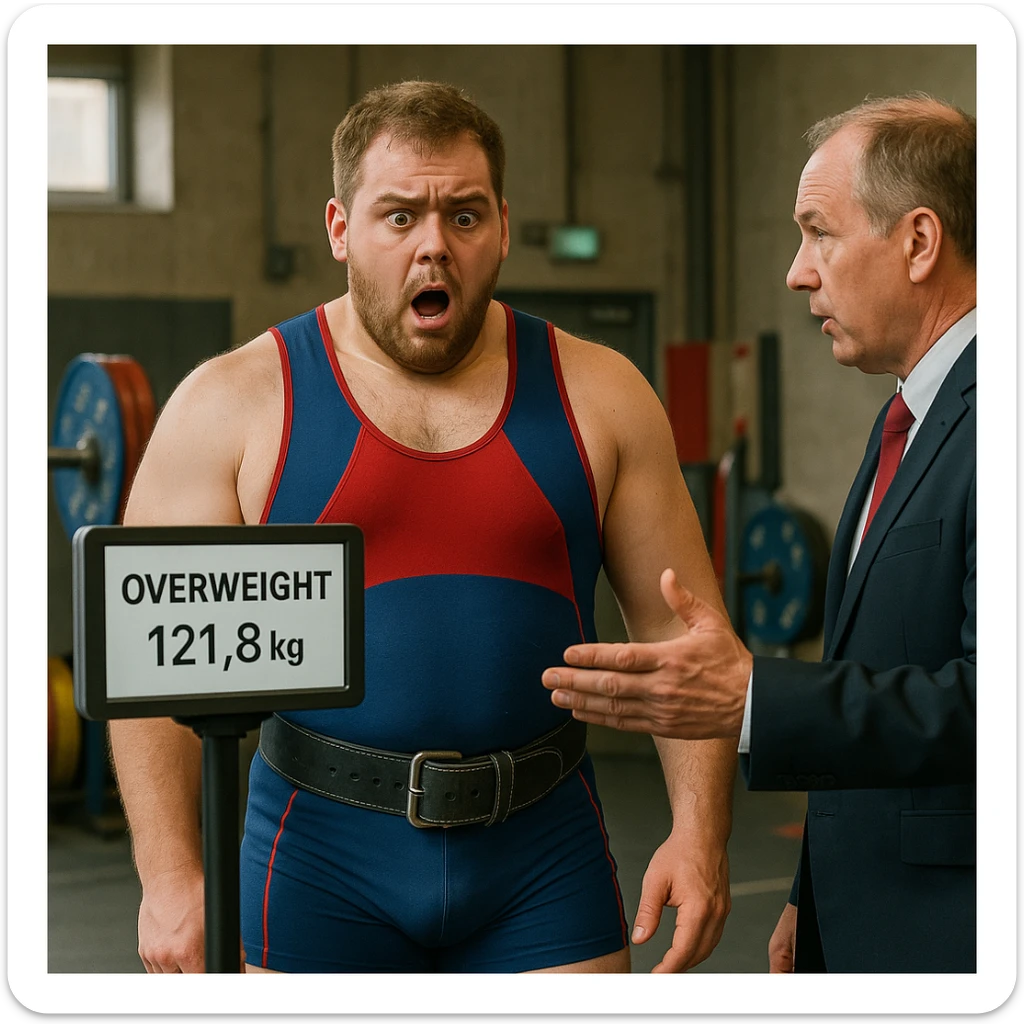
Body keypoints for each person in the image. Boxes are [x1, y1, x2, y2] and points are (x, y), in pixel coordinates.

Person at [108, 80, 737, 974]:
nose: (435, 245)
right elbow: (152, 677)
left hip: (542, 854)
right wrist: (172, 880)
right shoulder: (231, 402)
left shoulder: (603, 394)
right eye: (399, 217)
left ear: (504, 227)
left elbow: (687, 637)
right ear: (339, 230)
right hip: (315, 857)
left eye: (465, 217)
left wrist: (700, 833)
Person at [544, 93, 977, 973]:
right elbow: (891, 676)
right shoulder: (910, 416)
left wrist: (752, 699)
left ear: (920, 242)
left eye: (820, 232)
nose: (796, 271)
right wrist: (809, 898)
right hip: (865, 918)